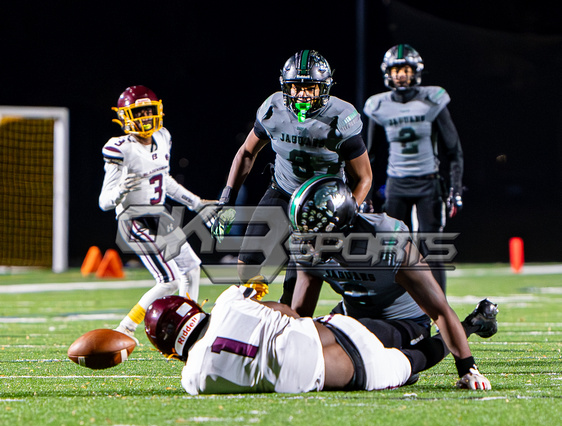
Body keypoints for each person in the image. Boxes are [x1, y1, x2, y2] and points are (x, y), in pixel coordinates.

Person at [287, 175, 497, 386]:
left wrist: (467, 368)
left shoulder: (387, 240)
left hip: (405, 321)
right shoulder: (307, 249)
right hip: (351, 316)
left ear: (341, 225)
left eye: (315, 234)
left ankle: (471, 325)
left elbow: (440, 310)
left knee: (357, 342)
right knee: (319, 337)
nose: (309, 243)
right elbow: (300, 315)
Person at [213, 50, 373, 304]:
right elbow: (246, 152)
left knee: (300, 281)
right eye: (296, 87)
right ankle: (252, 318)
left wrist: (351, 207)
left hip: (322, 204)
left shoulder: (341, 118)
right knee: (247, 267)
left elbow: (364, 176)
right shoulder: (274, 109)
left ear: (325, 87)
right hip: (283, 191)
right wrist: (226, 197)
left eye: (310, 87)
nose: (303, 94)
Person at [144, 286, 491, 395]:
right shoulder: (227, 302)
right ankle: (442, 327)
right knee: (395, 331)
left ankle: (469, 325)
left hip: (354, 372)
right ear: (190, 308)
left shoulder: (193, 380)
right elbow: (287, 312)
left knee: (414, 361)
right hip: (338, 327)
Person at [99, 85, 216, 341]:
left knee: (192, 268)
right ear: (124, 116)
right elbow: (104, 202)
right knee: (169, 279)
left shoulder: (163, 136)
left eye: (148, 111)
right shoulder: (120, 148)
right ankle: (125, 328)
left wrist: (196, 203)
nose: (144, 118)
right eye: (138, 113)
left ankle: (188, 322)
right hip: (133, 218)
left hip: (158, 215)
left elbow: (165, 180)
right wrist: (120, 191)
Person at [363, 44, 464, 292]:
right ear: (387, 72)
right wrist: (365, 195)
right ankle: (399, 308)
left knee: (432, 248)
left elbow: (454, 150)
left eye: (405, 69)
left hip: (428, 183)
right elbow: (367, 155)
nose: (400, 75)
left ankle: (441, 311)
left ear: (415, 71)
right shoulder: (378, 105)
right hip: (397, 185)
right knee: (394, 250)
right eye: (395, 70)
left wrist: (455, 188)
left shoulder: (433, 100)